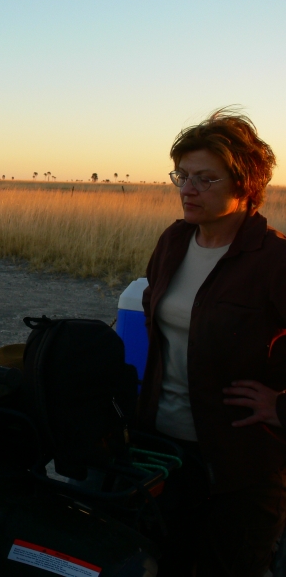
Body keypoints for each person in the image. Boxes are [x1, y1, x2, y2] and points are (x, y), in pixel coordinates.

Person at [139, 109, 286, 576]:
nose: (188, 189)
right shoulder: (173, 242)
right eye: (182, 176)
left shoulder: (275, 260)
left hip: (240, 467)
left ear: (245, 185)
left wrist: (282, 406)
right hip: (164, 451)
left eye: (206, 179)